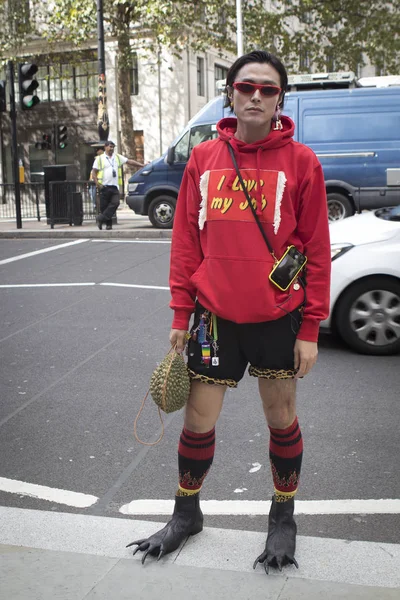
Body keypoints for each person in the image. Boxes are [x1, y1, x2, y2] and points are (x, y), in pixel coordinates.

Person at [128, 51, 331, 573]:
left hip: (276, 316)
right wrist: (180, 314)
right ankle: (185, 512)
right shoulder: (204, 158)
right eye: (247, 87)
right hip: (214, 316)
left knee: (281, 418)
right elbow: (186, 244)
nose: (257, 96)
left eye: (268, 89)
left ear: (281, 98)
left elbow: (314, 248)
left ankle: (283, 517)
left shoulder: (303, 162)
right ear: (231, 94)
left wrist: (310, 327)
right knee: (197, 420)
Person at [91, 140, 144, 230]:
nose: (112, 148)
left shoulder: (117, 157)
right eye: (110, 147)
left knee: (115, 203)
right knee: (104, 207)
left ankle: (101, 218)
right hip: (104, 186)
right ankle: (108, 225)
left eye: (113, 147)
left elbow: (129, 161)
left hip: (114, 186)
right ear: (105, 147)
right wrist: (97, 183)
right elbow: (94, 172)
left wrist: (141, 165)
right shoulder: (100, 159)